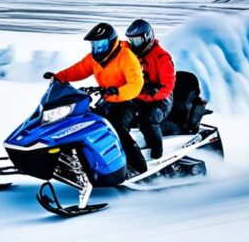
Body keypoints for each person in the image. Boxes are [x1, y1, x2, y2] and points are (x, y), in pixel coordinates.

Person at [45, 22, 147, 172]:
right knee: (86, 122)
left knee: (117, 127)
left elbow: (136, 84)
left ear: (111, 42)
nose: (97, 49)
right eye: (94, 45)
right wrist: (58, 77)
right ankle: (83, 159)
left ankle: (138, 165)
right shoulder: (95, 58)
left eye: (101, 45)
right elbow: (78, 70)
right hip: (107, 99)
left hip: (128, 101)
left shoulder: (126, 56)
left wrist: (118, 91)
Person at [125, 19, 176, 160]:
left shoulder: (162, 58)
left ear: (147, 38)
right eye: (131, 41)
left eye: (137, 41)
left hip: (161, 99)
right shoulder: (132, 55)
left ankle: (157, 153)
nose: (134, 45)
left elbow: (167, 85)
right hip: (139, 95)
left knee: (147, 120)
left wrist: (147, 94)